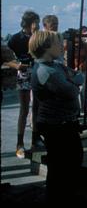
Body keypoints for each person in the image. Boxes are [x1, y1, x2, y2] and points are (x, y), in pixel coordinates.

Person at [29, 30, 84, 203]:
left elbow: (77, 76)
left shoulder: (55, 66)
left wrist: (72, 80)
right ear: (46, 47)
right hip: (57, 125)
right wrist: (73, 82)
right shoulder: (47, 71)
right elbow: (71, 90)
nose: (62, 46)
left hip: (64, 123)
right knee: (61, 167)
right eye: (57, 43)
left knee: (71, 161)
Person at [5, 10, 43, 158]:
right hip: (24, 74)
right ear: (29, 23)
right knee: (24, 109)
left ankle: (36, 139)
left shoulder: (39, 37)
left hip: (38, 73)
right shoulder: (15, 39)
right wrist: (16, 66)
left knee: (37, 107)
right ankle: (19, 143)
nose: (38, 25)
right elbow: (5, 58)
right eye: (36, 22)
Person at [74, 26, 87, 116]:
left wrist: (82, 65)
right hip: (73, 71)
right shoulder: (70, 45)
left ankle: (86, 109)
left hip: (83, 70)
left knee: (84, 90)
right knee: (74, 91)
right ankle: (76, 111)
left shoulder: (84, 45)